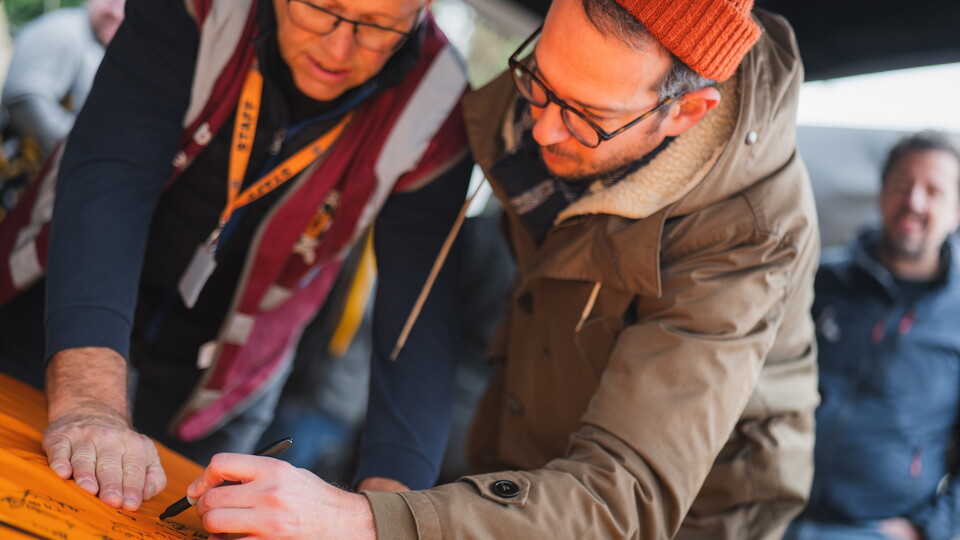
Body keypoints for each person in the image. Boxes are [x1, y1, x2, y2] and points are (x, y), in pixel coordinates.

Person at [186, 0, 820, 538]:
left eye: (586, 117)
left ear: (685, 113)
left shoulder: (752, 236)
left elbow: (626, 491)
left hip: (689, 515)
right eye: (538, 79)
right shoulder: (527, 121)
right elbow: (418, 313)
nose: (541, 131)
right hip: (529, 460)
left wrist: (367, 520)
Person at [0, 0, 471, 513]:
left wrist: (393, 512)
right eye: (321, 9)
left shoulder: (438, 99)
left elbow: (419, 318)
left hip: (225, 376)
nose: (339, 48)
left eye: (380, 26)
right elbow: (111, 177)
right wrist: (90, 400)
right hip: (64, 304)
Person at [785, 131, 960, 540]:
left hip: (874, 529)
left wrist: (928, 530)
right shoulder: (818, 280)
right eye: (902, 185)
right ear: (881, 194)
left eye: (933, 191)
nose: (914, 202)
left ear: (956, 211)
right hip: (768, 512)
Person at [1, 0, 125, 157]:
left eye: (126, 5)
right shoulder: (63, 30)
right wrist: (83, 152)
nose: (116, 12)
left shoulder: (103, 45)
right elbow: (24, 97)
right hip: (25, 171)